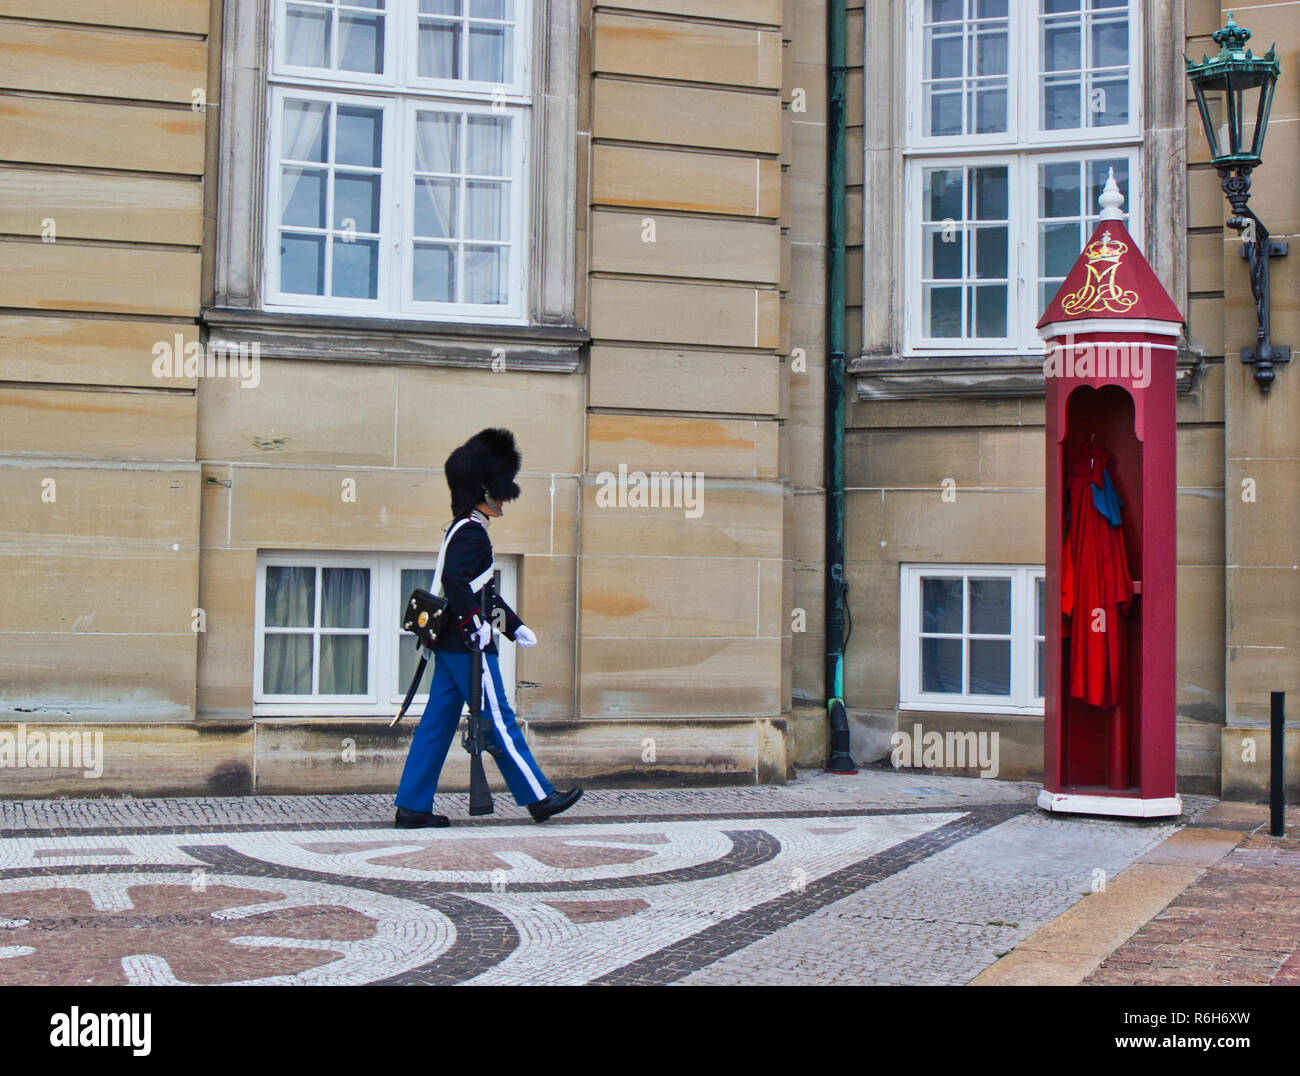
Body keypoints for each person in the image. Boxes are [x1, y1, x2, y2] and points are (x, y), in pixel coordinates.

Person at [394, 428, 582, 829]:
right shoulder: (472, 532)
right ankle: (538, 796)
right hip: (466, 646)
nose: (503, 499)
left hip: (452, 644)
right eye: (498, 490)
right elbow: (455, 582)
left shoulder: (464, 527)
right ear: (482, 488)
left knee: (437, 724)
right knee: (500, 720)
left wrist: (513, 627)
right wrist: (473, 626)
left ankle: (412, 805)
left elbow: (483, 594)